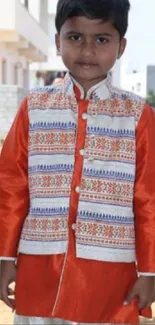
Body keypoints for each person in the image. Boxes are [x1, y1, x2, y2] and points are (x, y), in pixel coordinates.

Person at [0, 0, 155, 324]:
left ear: (121, 46)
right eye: (75, 37)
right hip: (40, 267)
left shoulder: (137, 116)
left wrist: (150, 270)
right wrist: (5, 255)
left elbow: (148, 199)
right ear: (58, 41)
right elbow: (11, 187)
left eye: (101, 39)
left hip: (109, 277)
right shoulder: (34, 107)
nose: (87, 50)